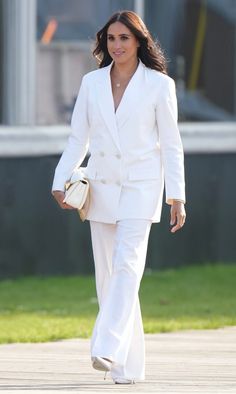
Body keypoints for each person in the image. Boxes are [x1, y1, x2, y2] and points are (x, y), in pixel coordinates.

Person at [52, 10, 186, 385]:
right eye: (111, 38)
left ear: (139, 42)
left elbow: (171, 145)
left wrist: (177, 196)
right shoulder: (92, 83)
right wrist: (60, 179)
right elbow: (79, 139)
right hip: (102, 187)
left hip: (142, 188)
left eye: (124, 38)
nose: (117, 45)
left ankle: (105, 345)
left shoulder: (160, 85)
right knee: (110, 277)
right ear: (104, 42)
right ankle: (128, 369)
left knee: (128, 267)